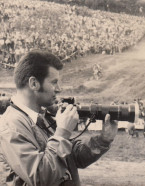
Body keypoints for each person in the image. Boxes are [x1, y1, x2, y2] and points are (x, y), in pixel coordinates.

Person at [0, 50, 118, 186]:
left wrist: (103, 140)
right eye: (54, 82)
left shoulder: (40, 117)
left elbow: (71, 157)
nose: (59, 89)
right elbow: (40, 177)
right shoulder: (10, 126)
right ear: (33, 83)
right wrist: (62, 133)